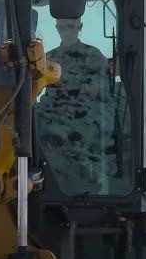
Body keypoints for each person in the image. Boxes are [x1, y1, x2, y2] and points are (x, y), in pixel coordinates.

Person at [36, 12, 118, 195]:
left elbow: (98, 89)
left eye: (70, 27)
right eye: (62, 27)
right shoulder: (48, 59)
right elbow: (38, 91)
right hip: (55, 125)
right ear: (57, 29)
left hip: (85, 125)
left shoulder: (93, 56)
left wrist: (73, 89)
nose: (66, 31)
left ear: (79, 28)